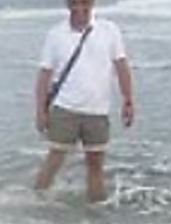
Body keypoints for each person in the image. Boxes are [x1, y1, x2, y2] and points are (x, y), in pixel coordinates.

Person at [33, 0, 135, 203]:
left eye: (85, 4)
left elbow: (121, 65)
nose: (80, 9)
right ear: (68, 5)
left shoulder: (109, 30)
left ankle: (95, 209)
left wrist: (128, 99)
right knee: (55, 157)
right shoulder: (56, 34)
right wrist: (40, 111)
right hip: (65, 108)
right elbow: (45, 74)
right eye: (75, 4)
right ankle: (36, 200)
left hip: (98, 110)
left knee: (95, 163)